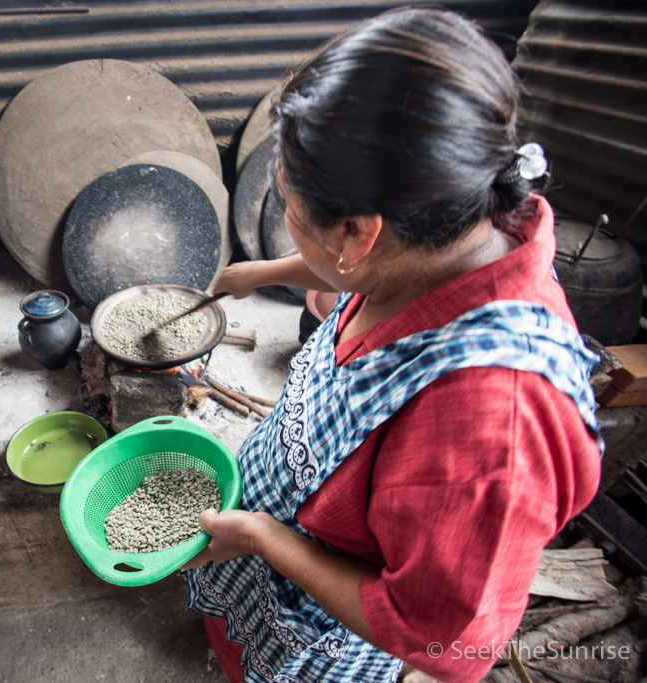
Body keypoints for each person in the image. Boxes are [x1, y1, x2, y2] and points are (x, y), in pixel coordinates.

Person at [181, 7, 602, 683]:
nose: (291, 231)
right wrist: (267, 271)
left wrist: (263, 538)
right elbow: (353, 265)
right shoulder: (446, 225)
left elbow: (446, 643)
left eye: (293, 213)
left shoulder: (492, 431)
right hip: (274, 520)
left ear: (357, 232)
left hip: (320, 626)